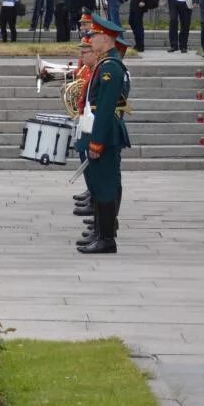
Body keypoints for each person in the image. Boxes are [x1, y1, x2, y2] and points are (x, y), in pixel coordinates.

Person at [77, 14, 131, 255]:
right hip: (98, 129)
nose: (91, 39)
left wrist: (97, 142)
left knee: (106, 186)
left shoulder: (110, 68)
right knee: (98, 186)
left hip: (105, 133)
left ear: (107, 39)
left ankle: (107, 239)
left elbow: (107, 108)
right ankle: (101, 233)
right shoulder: (103, 64)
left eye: (95, 35)